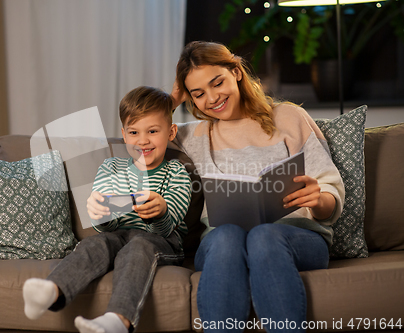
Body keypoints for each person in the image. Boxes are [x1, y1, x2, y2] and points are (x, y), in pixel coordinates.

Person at [171, 41, 345, 332]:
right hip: (221, 244)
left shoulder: (289, 118)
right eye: (198, 94)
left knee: (264, 235)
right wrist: (171, 99)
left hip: (299, 238)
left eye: (218, 83)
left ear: (236, 72)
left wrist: (319, 199)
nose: (212, 98)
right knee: (227, 235)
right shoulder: (193, 136)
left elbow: (329, 193)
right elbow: (139, 137)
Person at [22, 86, 192, 333]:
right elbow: (106, 225)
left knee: (139, 245)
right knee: (94, 243)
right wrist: (100, 212)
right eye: (134, 132)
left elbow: (167, 227)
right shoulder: (111, 168)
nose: (142, 140)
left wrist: (161, 210)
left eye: (153, 131)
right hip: (117, 236)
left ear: (171, 132)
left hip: (162, 241)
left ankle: (117, 321)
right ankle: (52, 291)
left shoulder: (176, 172)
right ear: (124, 134)